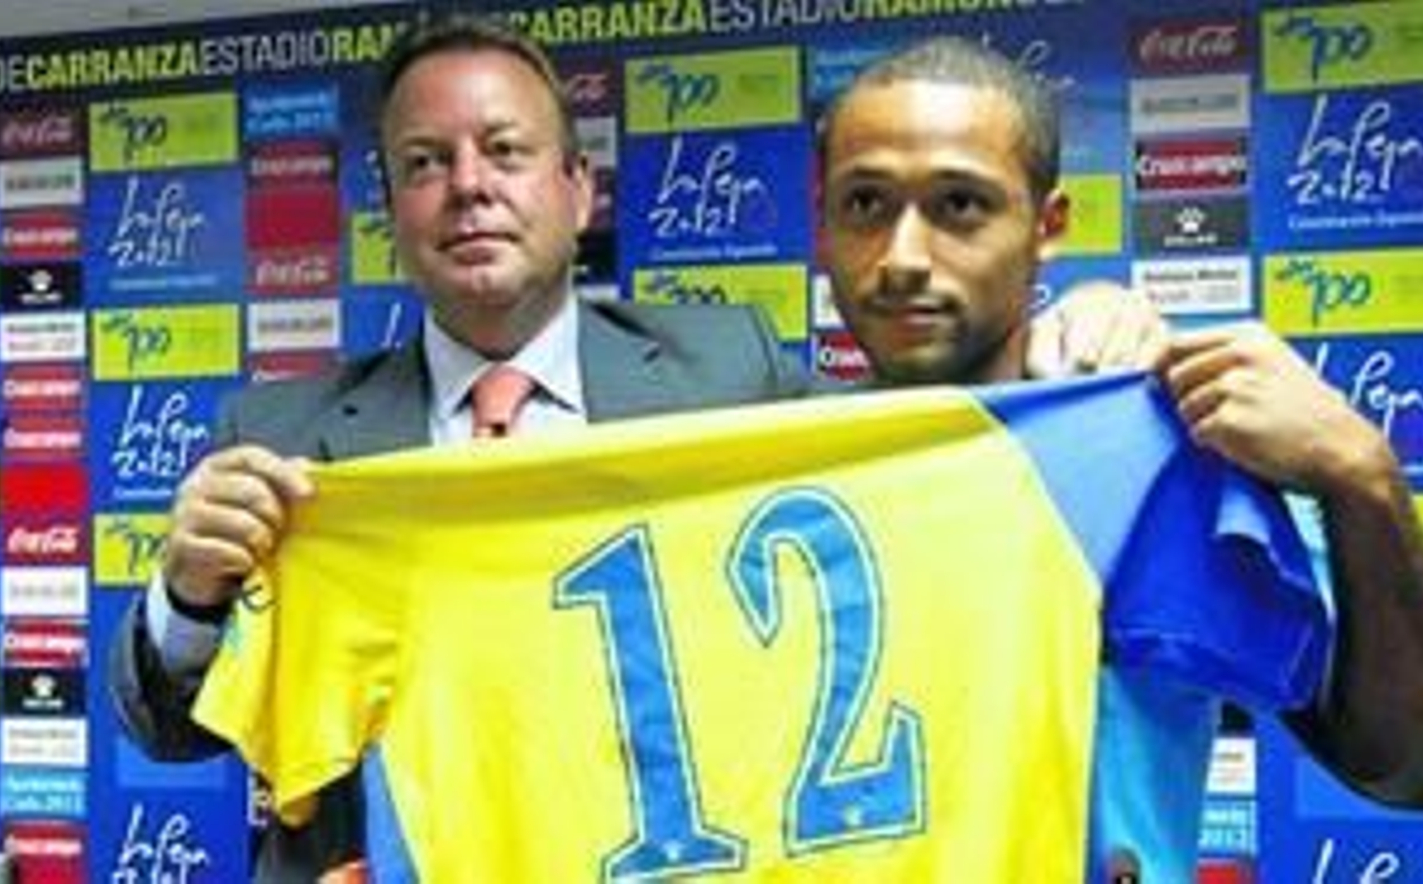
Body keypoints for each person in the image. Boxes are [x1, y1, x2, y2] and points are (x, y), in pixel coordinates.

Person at [106, 14, 1160, 881]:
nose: (468, 185)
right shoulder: (283, 443)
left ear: (578, 190)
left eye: (505, 152)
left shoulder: (729, 370)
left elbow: (934, 470)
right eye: (426, 163)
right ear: (392, 210)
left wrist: (1081, 336)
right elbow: (173, 730)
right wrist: (188, 596)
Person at [816, 36, 1423, 881]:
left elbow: (1408, 767)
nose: (903, 257)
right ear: (824, 221)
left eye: (960, 206)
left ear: (1047, 226)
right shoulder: (767, 469)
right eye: (865, 203)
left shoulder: (1158, 456)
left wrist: (1364, 474)